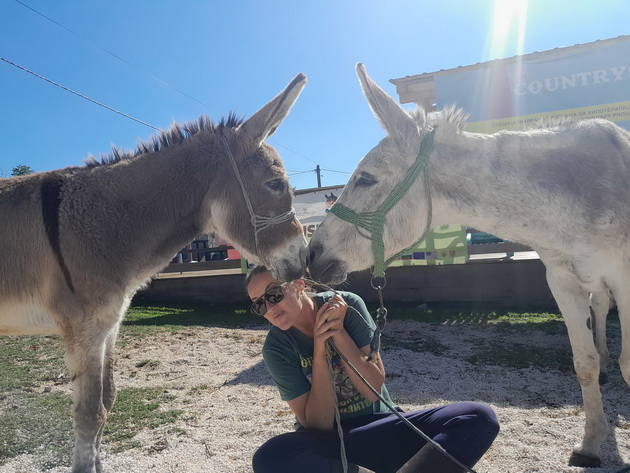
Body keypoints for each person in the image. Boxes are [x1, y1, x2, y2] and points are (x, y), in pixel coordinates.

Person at [245, 265, 499, 473]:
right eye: (259, 305)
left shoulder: (346, 305)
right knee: (270, 457)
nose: (270, 308)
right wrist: (319, 351)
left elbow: (373, 390)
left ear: (299, 284)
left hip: (383, 427)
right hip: (331, 446)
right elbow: (319, 424)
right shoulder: (276, 348)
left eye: (274, 294)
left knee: (478, 417)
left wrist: (338, 332)